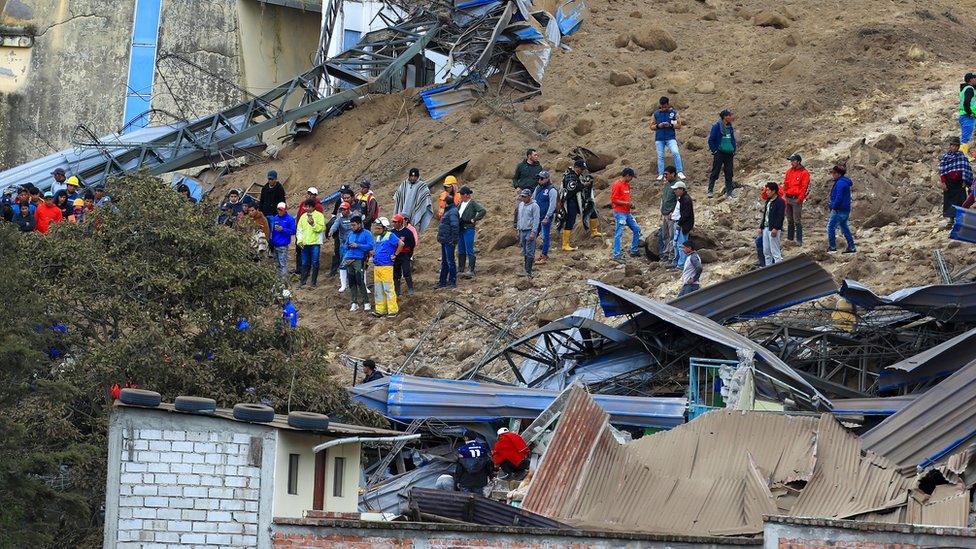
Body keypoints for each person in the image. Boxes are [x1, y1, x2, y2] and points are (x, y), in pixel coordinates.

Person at [558, 159, 601, 251]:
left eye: (583, 169)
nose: (582, 171)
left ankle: (594, 231)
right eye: (581, 169)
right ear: (576, 167)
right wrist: (584, 185)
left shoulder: (578, 175)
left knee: (591, 209)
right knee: (570, 220)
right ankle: (565, 244)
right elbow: (571, 188)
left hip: (579, 200)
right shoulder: (570, 176)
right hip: (570, 201)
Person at [371, 217, 402, 317]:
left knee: (388, 289)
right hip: (377, 266)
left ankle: (393, 310)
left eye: (379, 228)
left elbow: (401, 244)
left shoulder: (390, 235)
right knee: (379, 290)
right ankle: (380, 310)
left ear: (384, 228)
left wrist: (395, 255)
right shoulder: (378, 237)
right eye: (376, 228)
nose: (377, 230)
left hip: (386, 266)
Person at [939, 136, 972, 226]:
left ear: (958, 147)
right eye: (952, 146)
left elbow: (966, 169)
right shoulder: (945, 157)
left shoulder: (962, 157)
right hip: (949, 183)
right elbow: (942, 171)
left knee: (961, 201)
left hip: (959, 184)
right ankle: (951, 219)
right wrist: (943, 182)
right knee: (949, 201)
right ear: (950, 146)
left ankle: (961, 220)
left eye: (956, 146)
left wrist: (965, 181)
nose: (954, 147)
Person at [611, 167, 641, 261]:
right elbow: (614, 199)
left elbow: (625, 198)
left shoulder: (627, 185)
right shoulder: (617, 185)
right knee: (619, 233)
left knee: (637, 229)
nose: (631, 179)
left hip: (627, 212)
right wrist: (626, 204)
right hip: (620, 212)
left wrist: (629, 205)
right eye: (631, 177)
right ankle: (616, 255)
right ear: (627, 176)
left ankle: (634, 250)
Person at [345, 216, 375, 311]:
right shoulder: (350, 234)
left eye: (354, 225)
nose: (352, 227)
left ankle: (366, 302)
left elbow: (370, 246)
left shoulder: (367, 233)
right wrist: (346, 257)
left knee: (359, 279)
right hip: (349, 258)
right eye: (351, 225)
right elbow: (345, 246)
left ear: (359, 224)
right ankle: (354, 302)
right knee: (351, 281)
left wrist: (358, 245)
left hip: (359, 259)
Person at [653, 96, 685, 180]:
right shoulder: (656, 114)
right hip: (659, 138)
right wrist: (658, 126)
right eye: (662, 106)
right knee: (660, 156)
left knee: (675, 152)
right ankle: (661, 174)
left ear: (668, 104)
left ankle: (679, 171)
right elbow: (651, 126)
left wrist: (670, 125)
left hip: (670, 137)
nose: (663, 108)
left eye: (665, 106)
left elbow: (679, 125)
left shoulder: (673, 113)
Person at [457, 186, 486, 278]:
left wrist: (475, 219)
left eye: (461, 194)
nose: (460, 196)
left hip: (468, 228)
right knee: (461, 249)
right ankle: (461, 268)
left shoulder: (472, 203)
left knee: (469, 248)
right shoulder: (461, 203)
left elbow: (482, 210)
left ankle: (471, 269)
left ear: (466, 195)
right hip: (461, 228)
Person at [393, 167, 434, 234]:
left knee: (413, 232)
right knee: (401, 233)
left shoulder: (422, 186)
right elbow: (398, 195)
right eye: (411, 176)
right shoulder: (404, 184)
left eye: (415, 176)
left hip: (415, 213)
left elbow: (426, 197)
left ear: (418, 177)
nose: (413, 178)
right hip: (402, 213)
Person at [707, 109, 737, 198]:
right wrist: (715, 151)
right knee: (715, 171)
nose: (731, 117)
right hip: (719, 153)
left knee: (729, 172)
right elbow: (711, 139)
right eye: (729, 115)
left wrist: (734, 148)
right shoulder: (716, 126)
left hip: (729, 153)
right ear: (725, 117)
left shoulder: (730, 127)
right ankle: (710, 190)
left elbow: (732, 139)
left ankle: (729, 192)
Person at [296, 198, 326, 286]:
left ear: (313, 207)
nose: (307, 208)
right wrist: (300, 241)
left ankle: (313, 282)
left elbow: (321, 228)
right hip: (305, 243)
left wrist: (313, 224)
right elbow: (299, 230)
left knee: (315, 262)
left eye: (309, 207)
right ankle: (303, 281)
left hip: (315, 243)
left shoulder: (319, 216)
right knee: (305, 263)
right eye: (306, 207)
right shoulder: (303, 216)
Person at [827, 164, 856, 253]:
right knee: (844, 227)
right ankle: (851, 247)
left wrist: (833, 206)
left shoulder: (840, 183)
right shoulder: (844, 182)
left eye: (834, 173)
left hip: (838, 210)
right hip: (845, 209)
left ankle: (832, 247)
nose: (832, 174)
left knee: (830, 227)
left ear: (838, 174)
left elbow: (839, 197)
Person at [782, 154, 810, 245]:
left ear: (798, 161)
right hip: (788, 198)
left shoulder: (804, 173)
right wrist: (784, 195)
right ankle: (790, 239)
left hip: (796, 199)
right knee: (789, 220)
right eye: (791, 161)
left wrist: (800, 199)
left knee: (797, 220)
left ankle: (799, 240)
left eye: (793, 161)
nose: (791, 163)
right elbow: (785, 184)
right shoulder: (789, 172)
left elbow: (804, 187)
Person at [328, 186, 355, 277]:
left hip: (353, 241)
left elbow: (360, 225)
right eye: (343, 195)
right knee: (342, 260)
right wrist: (331, 230)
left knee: (354, 261)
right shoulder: (340, 215)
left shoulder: (355, 211)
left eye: (347, 196)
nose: (345, 198)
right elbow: (335, 221)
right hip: (342, 241)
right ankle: (342, 279)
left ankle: (353, 278)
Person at [454, 430, 492, 495]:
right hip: (480, 480)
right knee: (479, 500)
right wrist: (490, 475)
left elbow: (459, 467)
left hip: (465, 480)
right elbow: (488, 463)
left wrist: (457, 480)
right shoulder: (482, 448)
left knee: (465, 500)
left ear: (466, 438)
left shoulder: (462, 449)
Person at [533, 171, 558, 264]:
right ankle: (533, 254)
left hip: (545, 217)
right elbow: (533, 199)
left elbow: (552, 205)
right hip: (537, 216)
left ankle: (544, 255)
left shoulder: (551, 190)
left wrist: (547, 216)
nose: (540, 180)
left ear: (547, 179)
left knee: (545, 236)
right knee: (534, 234)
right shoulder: (538, 188)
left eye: (542, 178)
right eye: (539, 178)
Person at [329, 202, 354, 291]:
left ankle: (357, 283)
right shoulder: (339, 219)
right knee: (343, 263)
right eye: (341, 209)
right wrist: (331, 231)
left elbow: (360, 227)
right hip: (344, 244)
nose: (342, 211)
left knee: (356, 264)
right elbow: (335, 225)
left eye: (344, 209)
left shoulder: (354, 217)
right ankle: (343, 284)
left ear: (348, 209)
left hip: (354, 244)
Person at [515, 189, 540, 277]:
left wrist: (533, 232)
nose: (523, 198)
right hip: (522, 230)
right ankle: (526, 270)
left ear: (529, 196)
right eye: (522, 196)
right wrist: (518, 229)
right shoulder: (521, 205)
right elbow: (519, 217)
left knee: (529, 250)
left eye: (525, 196)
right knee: (524, 250)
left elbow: (536, 220)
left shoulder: (535, 206)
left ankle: (528, 271)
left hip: (529, 230)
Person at [760, 182, 786, 265]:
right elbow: (765, 215)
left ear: (773, 191)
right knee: (766, 251)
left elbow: (780, 216)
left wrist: (776, 228)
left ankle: (778, 269)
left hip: (773, 229)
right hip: (766, 227)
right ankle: (768, 268)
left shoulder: (780, 202)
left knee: (775, 251)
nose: (766, 192)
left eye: (768, 190)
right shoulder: (768, 201)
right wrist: (761, 227)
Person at [437, 195, 460, 288]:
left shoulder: (452, 211)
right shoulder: (450, 211)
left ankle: (452, 281)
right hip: (445, 239)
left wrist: (454, 239)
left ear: (446, 202)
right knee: (445, 261)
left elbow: (455, 226)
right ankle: (442, 282)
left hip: (448, 240)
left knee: (450, 261)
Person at [391, 214, 417, 297]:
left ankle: (410, 289)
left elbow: (412, 244)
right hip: (395, 255)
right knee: (396, 274)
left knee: (406, 272)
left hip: (405, 255)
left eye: (395, 222)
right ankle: (398, 291)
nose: (393, 223)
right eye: (393, 222)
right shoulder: (392, 232)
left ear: (400, 223)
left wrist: (409, 255)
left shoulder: (408, 232)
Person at [269, 202, 297, 279]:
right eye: (278, 209)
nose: (279, 211)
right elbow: (271, 231)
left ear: (285, 210)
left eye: (281, 210)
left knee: (283, 264)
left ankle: (283, 282)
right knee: (276, 264)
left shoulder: (290, 219)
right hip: (274, 245)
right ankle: (278, 281)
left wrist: (282, 229)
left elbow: (293, 231)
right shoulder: (275, 218)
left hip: (283, 245)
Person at [671, 182, 694, 268]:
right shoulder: (683, 198)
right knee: (677, 244)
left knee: (682, 245)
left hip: (683, 225)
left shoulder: (686, 200)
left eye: (676, 189)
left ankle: (681, 264)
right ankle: (678, 262)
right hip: (682, 224)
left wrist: (679, 224)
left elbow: (685, 214)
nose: (675, 191)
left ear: (681, 189)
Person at [658, 166, 679, 263]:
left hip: (671, 215)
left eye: (666, 174)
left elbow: (679, 201)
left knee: (672, 236)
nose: (665, 176)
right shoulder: (667, 185)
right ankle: (666, 254)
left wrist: (673, 212)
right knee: (665, 235)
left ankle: (671, 256)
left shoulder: (677, 185)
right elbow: (664, 199)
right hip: (665, 214)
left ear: (673, 174)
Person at [960, 73, 976, 157]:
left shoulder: (967, 88)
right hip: (967, 116)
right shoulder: (969, 89)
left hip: (968, 116)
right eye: (975, 78)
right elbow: (966, 103)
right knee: (965, 138)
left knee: (969, 135)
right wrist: (970, 113)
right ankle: (963, 157)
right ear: (971, 80)